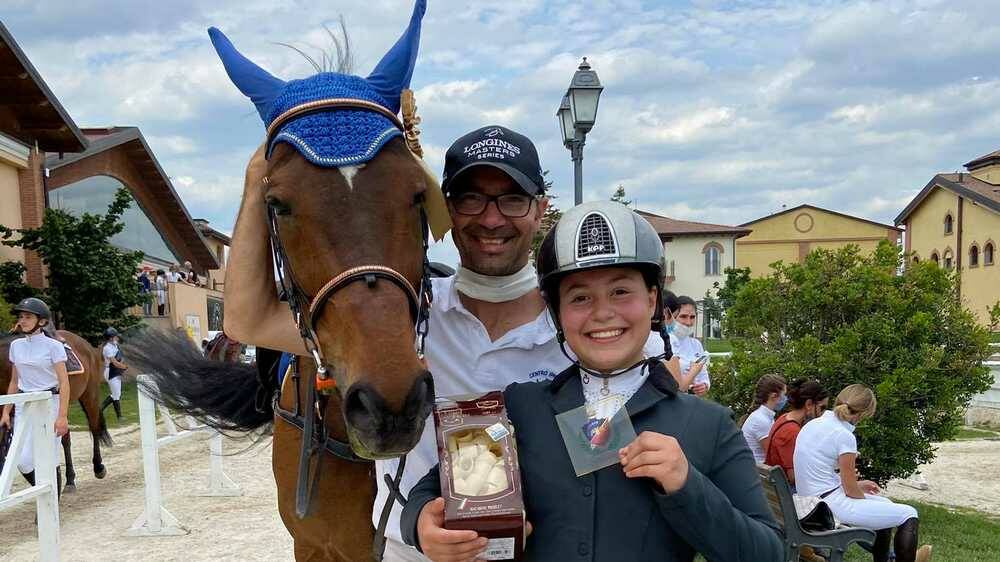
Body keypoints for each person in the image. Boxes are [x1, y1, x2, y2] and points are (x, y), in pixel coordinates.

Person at [221, 125, 672, 561]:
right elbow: (246, 320)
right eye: (470, 199)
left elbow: (607, 470)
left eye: (512, 200)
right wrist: (258, 171)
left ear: (540, 208)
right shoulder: (401, 319)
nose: (491, 218)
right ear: (445, 210)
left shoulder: (582, 332)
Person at [402, 201, 782, 561]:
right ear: (557, 313)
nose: (602, 313)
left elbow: (769, 552)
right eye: (580, 297)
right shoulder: (522, 407)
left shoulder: (707, 424)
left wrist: (687, 485)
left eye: (620, 292)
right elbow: (430, 491)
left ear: (652, 300)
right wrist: (421, 525)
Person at [795, 385, 932, 562]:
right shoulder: (844, 436)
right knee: (909, 513)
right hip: (826, 505)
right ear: (862, 413)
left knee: (886, 506)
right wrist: (857, 490)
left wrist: (857, 486)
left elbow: (817, 472)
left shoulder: (813, 424)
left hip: (812, 500)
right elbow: (850, 490)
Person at [0, 297, 69, 494]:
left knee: (49, 457)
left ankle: (51, 506)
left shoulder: (53, 347)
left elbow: (64, 383)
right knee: (22, 460)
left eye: (28, 317)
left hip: (49, 404)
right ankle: (47, 494)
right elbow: (14, 382)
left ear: (42, 321)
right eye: (21, 317)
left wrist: (62, 416)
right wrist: (6, 412)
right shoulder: (16, 346)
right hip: (24, 405)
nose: (22, 320)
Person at [764, 378, 828, 487]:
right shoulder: (791, 432)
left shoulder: (784, 418)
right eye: (822, 408)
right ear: (808, 404)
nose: (823, 413)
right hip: (788, 490)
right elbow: (794, 477)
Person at [669, 295, 710, 396]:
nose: (688, 322)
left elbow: (703, 375)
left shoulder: (696, 344)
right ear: (671, 317)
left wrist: (704, 385)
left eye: (692, 317)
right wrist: (692, 373)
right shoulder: (663, 343)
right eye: (683, 316)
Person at [741, 374, 786, 464]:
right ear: (774, 396)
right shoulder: (761, 421)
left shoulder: (763, 416)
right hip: (759, 473)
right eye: (784, 395)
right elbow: (773, 456)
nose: (785, 399)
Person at [100, 327, 128, 420]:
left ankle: (119, 416)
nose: (117, 337)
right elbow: (114, 362)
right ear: (111, 338)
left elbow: (119, 356)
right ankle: (100, 409)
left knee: (117, 394)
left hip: (116, 370)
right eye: (115, 336)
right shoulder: (107, 348)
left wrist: (122, 364)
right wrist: (124, 367)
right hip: (111, 371)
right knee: (116, 394)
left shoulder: (115, 345)